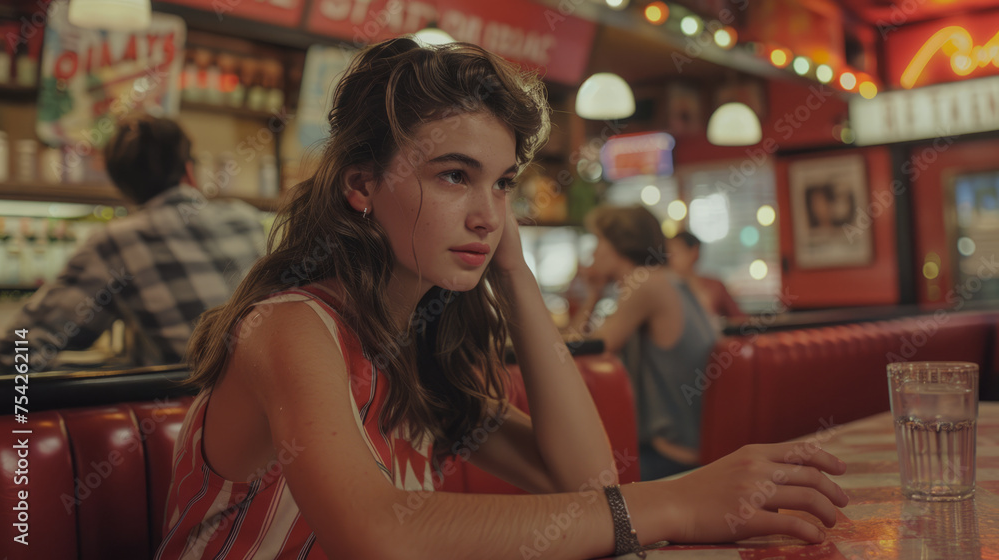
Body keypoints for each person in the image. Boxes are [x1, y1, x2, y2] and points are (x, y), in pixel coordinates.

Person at [155, 38, 849, 560]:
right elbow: (375, 533)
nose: (488, 213)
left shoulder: (416, 357)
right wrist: (675, 504)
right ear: (361, 187)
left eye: (503, 183)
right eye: (456, 175)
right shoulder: (291, 328)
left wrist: (513, 274)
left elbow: (585, 479)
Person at [0, 115, 265, 373]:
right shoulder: (246, 219)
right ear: (188, 170)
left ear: (122, 187)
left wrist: (105, 376)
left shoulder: (117, 241)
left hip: (185, 411)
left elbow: (15, 350)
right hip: (269, 404)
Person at [566, 206, 718, 479]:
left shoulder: (646, 284)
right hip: (699, 449)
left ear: (619, 245)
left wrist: (591, 295)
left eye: (597, 241)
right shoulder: (674, 281)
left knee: (571, 483)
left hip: (671, 457)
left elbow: (575, 354)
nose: (592, 253)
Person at [668, 230, 745, 321]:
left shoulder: (714, 286)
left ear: (694, 253)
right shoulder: (666, 288)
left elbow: (739, 320)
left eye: (674, 254)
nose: (669, 259)